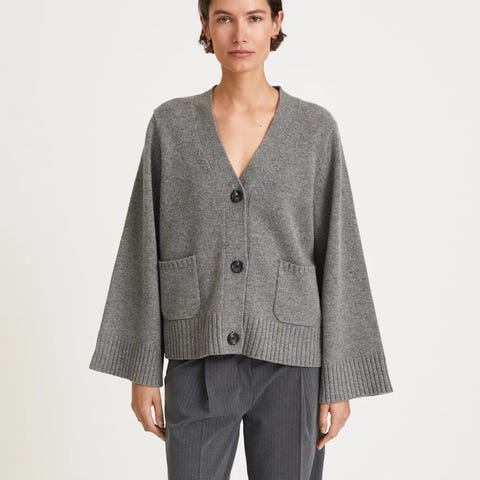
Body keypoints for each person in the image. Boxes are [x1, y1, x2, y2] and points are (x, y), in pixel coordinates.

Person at [89, 1, 394, 478]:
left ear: (276, 23)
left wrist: (339, 378)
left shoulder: (314, 130)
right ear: (205, 25)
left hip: (292, 365)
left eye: (254, 18)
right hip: (197, 353)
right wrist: (143, 367)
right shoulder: (172, 125)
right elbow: (141, 245)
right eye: (224, 18)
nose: (239, 34)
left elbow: (340, 252)